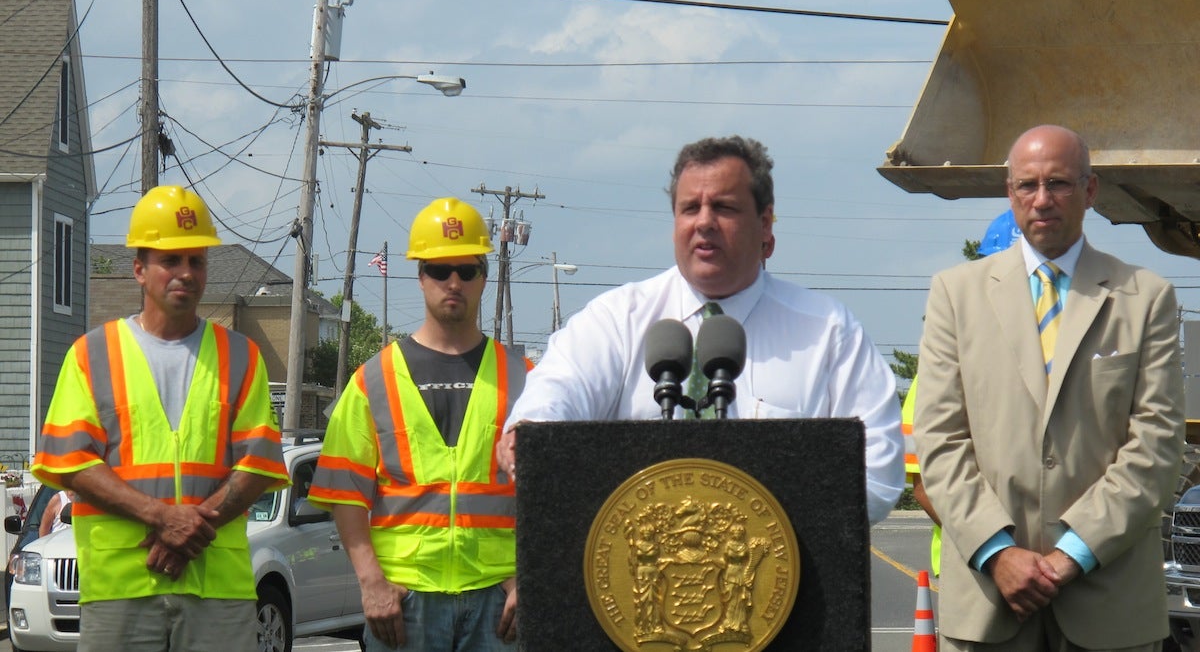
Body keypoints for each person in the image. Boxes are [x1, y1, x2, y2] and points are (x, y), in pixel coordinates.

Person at [497, 135, 905, 525]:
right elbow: (556, 394)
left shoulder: (830, 333)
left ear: (765, 224)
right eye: (690, 208)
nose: (705, 222)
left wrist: (758, 512)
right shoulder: (617, 319)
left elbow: (880, 474)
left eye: (724, 207)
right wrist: (529, 435)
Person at [914, 124, 1183, 650]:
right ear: (1008, 192)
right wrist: (999, 553)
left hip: (1110, 601)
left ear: (1090, 191)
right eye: (1027, 185)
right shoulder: (955, 294)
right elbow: (941, 442)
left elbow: (1157, 444)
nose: (1042, 200)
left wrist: (1074, 553)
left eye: (1058, 183)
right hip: (991, 604)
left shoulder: (1145, 297)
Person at [30, 185, 290, 652]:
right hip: (120, 586)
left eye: (196, 261)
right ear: (139, 270)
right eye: (170, 260)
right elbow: (71, 462)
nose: (185, 273)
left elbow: (260, 465)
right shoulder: (92, 354)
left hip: (217, 587)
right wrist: (160, 517)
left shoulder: (241, 356)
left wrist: (187, 530)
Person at [309, 197, 529, 652]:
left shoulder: (526, 378)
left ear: (484, 278)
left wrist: (532, 579)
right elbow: (343, 491)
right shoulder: (372, 380)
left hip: (499, 598)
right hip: (404, 601)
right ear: (420, 275)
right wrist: (371, 583)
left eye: (467, 271)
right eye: (439, 269)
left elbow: (556, 495)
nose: (454, 282)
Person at [901, 208, 1023, 577]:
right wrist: (997, 553)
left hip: (1059, 572)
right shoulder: (942, 371)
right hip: (974, 571)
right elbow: (924, 484)